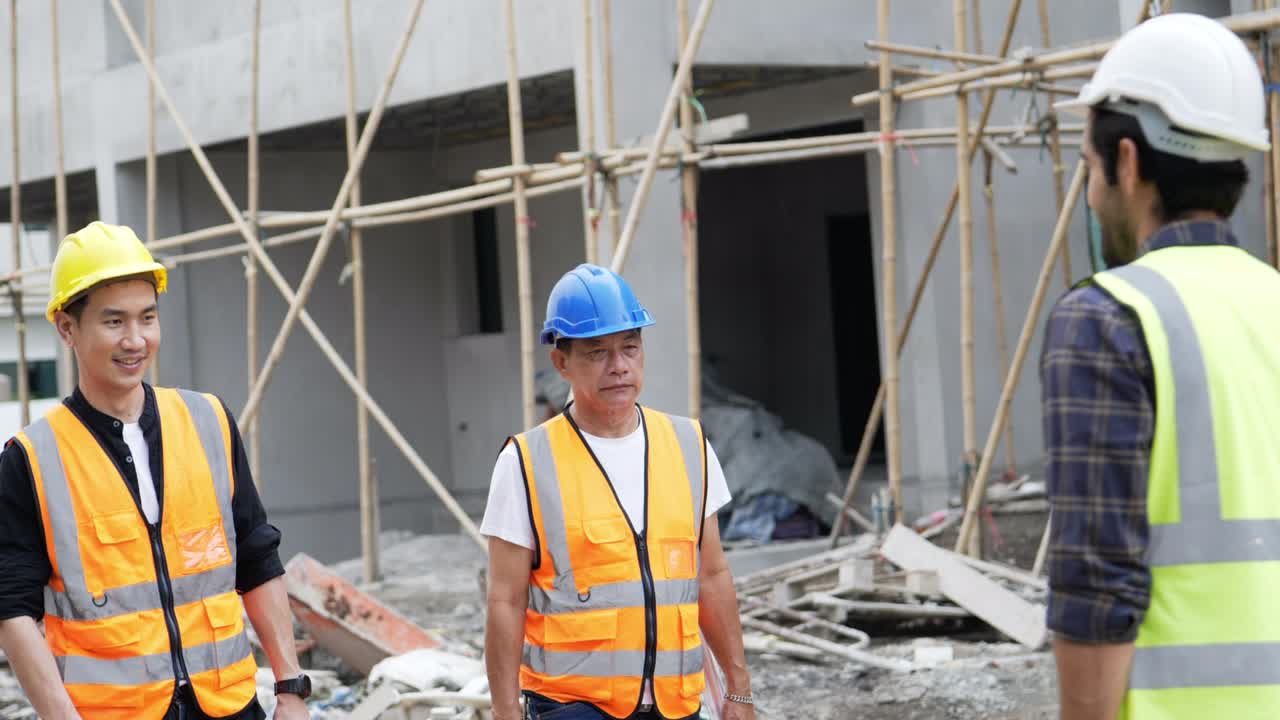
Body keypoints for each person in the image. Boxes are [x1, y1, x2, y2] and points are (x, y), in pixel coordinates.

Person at [1043, 13, 1280, 720]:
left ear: (1127, 161)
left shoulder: (1107, 319)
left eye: (1089, 170)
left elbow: (1096, 587)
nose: (1091, 196)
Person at [0, 222, 312, 719]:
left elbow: (257, 558)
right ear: (66, 328)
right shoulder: (32, 459)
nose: (136, 340)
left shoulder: (208, 421)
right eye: (114, 321)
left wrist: (290, 687)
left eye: (147, 317)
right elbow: (13, 610)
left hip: (229, 706)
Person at [481, 264, 755, 720]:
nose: (619, 366)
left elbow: (711, 576)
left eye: (629, 347)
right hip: (573, 707)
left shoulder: (689, 446)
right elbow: (505, 600)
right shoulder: (526, 463)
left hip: (676, 705)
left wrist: (739, 690)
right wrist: (505, 711)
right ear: (561, 363)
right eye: (597, 352)